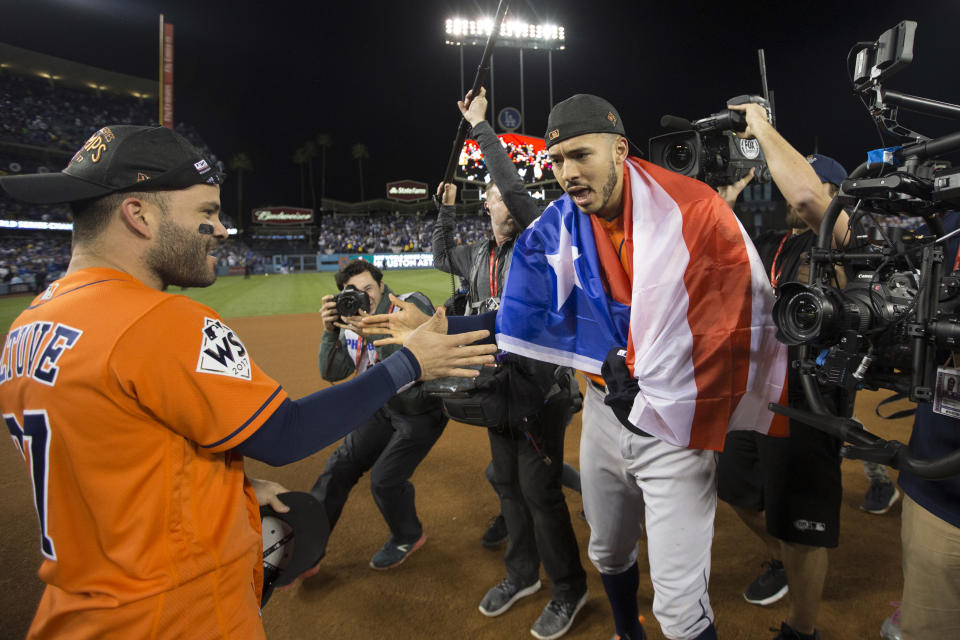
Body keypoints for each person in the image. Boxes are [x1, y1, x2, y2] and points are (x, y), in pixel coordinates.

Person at [0, 125, 496, 640]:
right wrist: (409, 362)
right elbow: (286, 434)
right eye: (206, 213)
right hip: (178, 614)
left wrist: (216, 491)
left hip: (77, 613)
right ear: (139, 215)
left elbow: (112, 457)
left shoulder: (27, 327)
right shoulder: (159, 322)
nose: (221, 230)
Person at [363, 94, 786, 640]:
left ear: (620, 150)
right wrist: (441, 330)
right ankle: (626, 632)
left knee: (680, 613)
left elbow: (734, 320)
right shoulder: (559, 226)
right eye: (558, 160)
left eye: (581, 155)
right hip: (604, 412)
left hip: (674, 425)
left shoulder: (691, 211)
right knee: (608, 553)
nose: (567, 173)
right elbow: (519, 316)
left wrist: (665, 381)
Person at [429, 87, 589, 640]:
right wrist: (445, 211)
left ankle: (570, 587)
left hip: (540, 393)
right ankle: (522, 574)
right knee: (507, 486)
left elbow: (520, 194)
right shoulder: (482, 258)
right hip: (495, 388)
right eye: (491, 196)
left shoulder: (541, 243)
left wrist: (480, 128)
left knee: (540, 493)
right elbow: (439, 254)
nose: (490, 201)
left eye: (493, 194)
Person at [715, 100, 864, 640]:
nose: (780, 191)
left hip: (812, 400)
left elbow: (807, 199)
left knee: (802, 523)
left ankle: (803, 627)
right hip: (761, 393)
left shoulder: (851, 242)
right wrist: (722, 205)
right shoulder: (777, 243)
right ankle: (784, 557)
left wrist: (763, 127)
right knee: (735, 489)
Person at [310, 258, 447, 570]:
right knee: (338, 467)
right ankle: (309, 546)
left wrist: (369, 330)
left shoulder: (408, 305)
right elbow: (331, 371)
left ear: (382, 285)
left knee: (384, 480)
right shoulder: (350, 319)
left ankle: (407, 535)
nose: (363, 296)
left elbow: (407, 366)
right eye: (352, 291)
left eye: (368, 288)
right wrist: (330, 331)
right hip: (383, 407)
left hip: (419, 411)